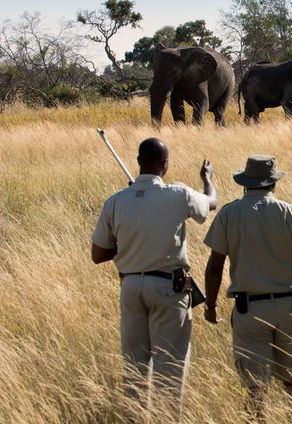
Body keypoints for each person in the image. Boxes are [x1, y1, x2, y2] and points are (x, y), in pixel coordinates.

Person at [203, 154, 292, 419]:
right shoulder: (290, 212)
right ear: (273, 184)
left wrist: (210, 306)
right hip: (288, 306)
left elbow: (214, 267)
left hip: (249, 310)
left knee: (256, 388)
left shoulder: (229, 214)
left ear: (245, 183)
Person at [91, 137, 218, 419]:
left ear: (138, 163)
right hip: (168, 288)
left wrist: (128, 242)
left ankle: (135, 417)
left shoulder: (116, 201)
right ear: (165, 164)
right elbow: (211, 203)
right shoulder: (178, 194)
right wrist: (207, 178)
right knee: (169, 367)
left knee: (134, 367)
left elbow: (98, 254)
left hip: (131, 287)